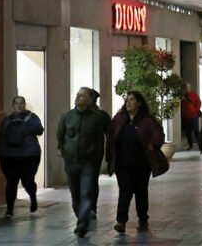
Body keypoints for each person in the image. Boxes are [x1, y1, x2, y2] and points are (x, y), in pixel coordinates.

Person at [106, 91, 166, 234]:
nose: (128, 103)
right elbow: (110, 138)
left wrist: (154, 144)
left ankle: (143, 218)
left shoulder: (147, 120)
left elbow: (159, 134)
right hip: (122, 164)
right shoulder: (119, 119)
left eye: (132, 100)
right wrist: (109, 156)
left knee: (140, 192)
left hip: (141, 164)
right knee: (124, 192)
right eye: (127, 100)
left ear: (139, 103)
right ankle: (121, 221)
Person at [57, 87, 106, 237]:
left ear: (90, 101)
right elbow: (60, 136)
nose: (78, 97)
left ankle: (82, 224)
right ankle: (81, 218)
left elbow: (99, 141)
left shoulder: (96, 118)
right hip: (71, 161)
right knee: (75, 196)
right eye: (77, 95)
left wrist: (97, 157)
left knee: (86, 192)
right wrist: (63, 151)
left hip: (88, 162)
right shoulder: (66, 117)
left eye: (82, 96)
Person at [0, 96, 44, 218]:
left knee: (27, 181)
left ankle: (33, 198)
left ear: (24, 105)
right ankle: (9, 210)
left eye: (21, 103)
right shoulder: (6, 120)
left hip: (29, 156)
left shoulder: (32, 117)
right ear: (13, 105)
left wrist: (25, 126)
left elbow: (39, 130)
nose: (19, 105)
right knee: (11, 182)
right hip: (10, 157)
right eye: (16, 103)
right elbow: (1, 137)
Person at [89, 89, 110, 220]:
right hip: (77, 155)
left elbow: (110, 135)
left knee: (91, 180)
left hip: (94, 154)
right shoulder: (74, 114)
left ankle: (91, 208)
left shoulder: (101, 116)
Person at [181, 82, 202, 150]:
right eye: (185, 87)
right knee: (188, 132)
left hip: (193, 116)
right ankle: (190, 145)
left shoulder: (194, 95)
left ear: (190, 88)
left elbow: (199, 103)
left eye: (188, 87)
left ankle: (199, 144)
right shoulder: (182, 96)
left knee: (196, 130)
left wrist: (195, 111)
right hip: (186, 117)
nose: (187, 89)